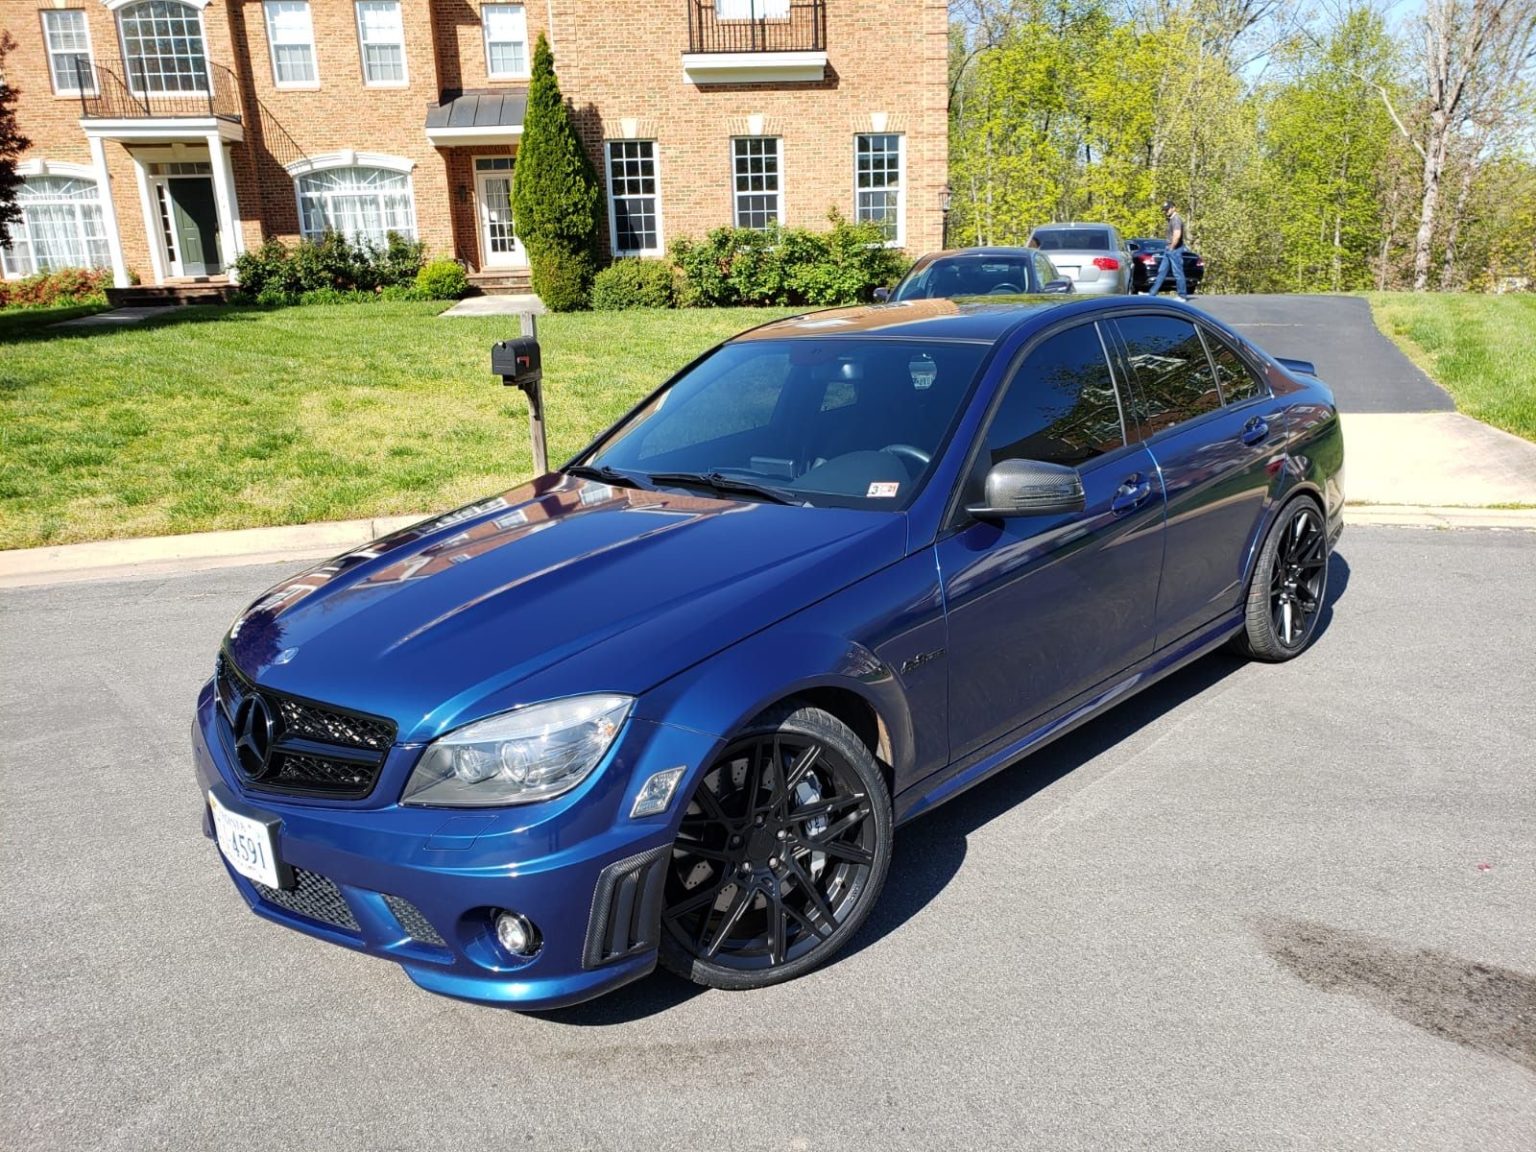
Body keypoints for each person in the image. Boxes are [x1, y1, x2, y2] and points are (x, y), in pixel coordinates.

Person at [1147, 200, 1189, 301]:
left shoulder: (1176, 219)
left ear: (1173, 208)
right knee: (1161, 271)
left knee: (1177, 272)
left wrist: (1172, 247)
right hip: (1169, 249)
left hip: (1174, 249)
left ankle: (1182, 295)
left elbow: (1177, 234)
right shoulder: (1171, 219)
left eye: (1168, 209)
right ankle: (1152, 293)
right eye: (1165, 210)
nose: (1166, 211)